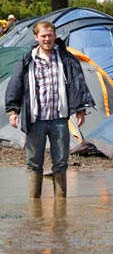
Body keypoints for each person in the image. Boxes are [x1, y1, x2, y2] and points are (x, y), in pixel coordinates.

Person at [5, 21, 95, 199]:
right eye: (43, 36)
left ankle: (60, 205)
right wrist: (13, 111)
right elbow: (15, 85)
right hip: (35, 119)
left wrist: (79, 109)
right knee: (34, 163)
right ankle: (34, 204)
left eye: (50, 35)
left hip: (59, 120)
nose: (47, 39)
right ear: (36, 37)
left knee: (61, 162)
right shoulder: (27, 59)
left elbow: (77, 84)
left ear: (55, 36)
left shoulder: (65, 58)